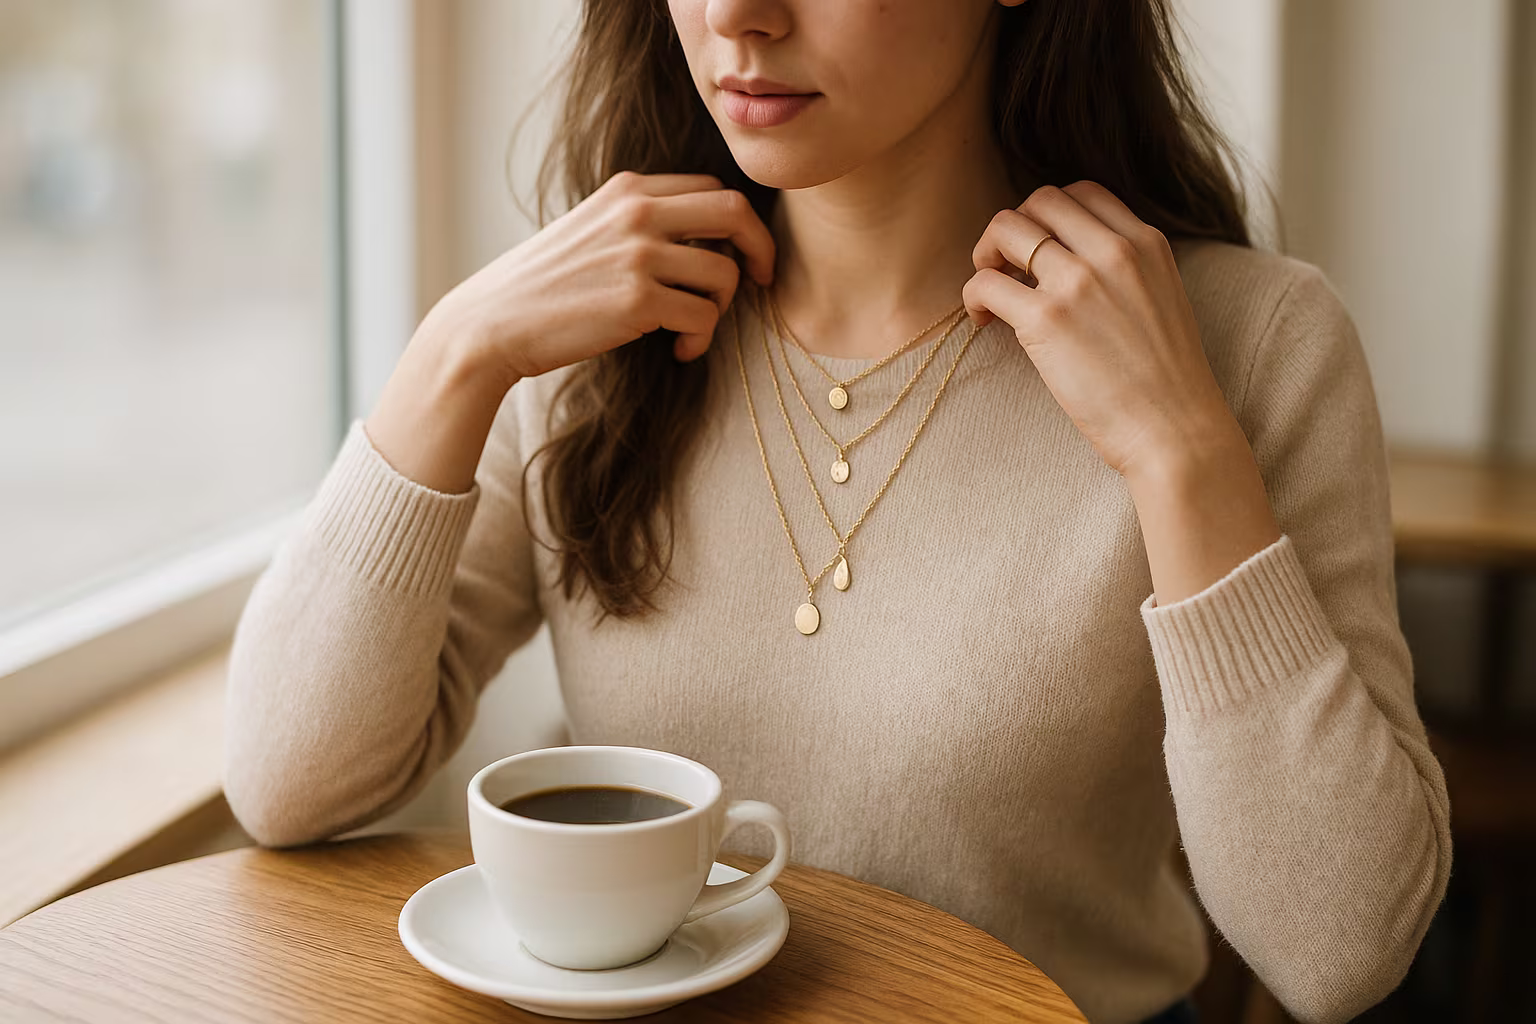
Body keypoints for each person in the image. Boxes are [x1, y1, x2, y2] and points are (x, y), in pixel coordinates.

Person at [223, 1, 1452, 1021]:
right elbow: (287, 783)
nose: (734, 20)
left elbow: (1339, 949)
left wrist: (1183, 453)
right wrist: (454, 355)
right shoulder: (597, 331)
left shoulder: (1252, 342)